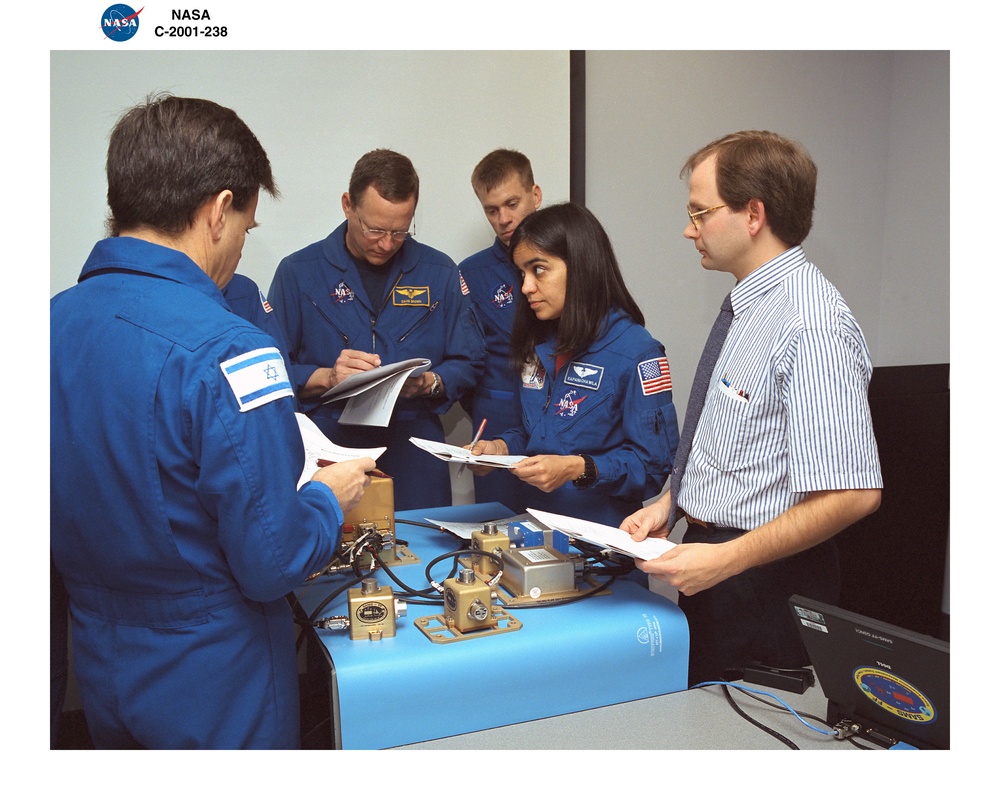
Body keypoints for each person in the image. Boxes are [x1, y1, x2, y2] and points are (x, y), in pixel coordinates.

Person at [50, 94, 375, 749]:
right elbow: (270, 559)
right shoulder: (232, 349)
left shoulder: (52, 322)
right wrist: (322, 499)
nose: (239, 250)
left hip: (97, 660)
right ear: (218, 211)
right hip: (215, 675)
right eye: (248, 229)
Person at [620, 130, 883, 686]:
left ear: (754, 214)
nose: (688, 229)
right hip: (718, 563)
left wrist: (724, 560)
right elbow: (739, 440)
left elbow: (853, 493)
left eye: (700, 212)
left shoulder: (810, 323)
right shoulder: (751, 306)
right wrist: (673, 502)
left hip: (765, 585)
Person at [269, 149, 485, 511]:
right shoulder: (298, 272)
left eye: (400, 232)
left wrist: (430, 383)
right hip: (330, 449)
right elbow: (273, 372)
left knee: (424, 558)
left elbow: (469, 361)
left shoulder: (439, 271)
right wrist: (326, 376)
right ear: (347, 205)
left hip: (415, 449)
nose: (386, 244)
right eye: (375, 230)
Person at [468, 202, 679, 529]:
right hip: (536, 527)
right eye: (521, 273)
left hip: (603, 540)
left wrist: (577, 468)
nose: (525, 287)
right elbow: (539, 434)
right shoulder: (538, 344)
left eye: (538, 270)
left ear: (580, 267)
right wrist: (499, 448)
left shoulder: (637, 352)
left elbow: (651, 468)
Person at [457, 149, 543, 512]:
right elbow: (466, 360)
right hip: (499, 417)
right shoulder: (470, 274)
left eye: (512, 203)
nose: (504, 219)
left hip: (568, 415)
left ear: (535, 196)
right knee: (498, 535)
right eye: (492, 210)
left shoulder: (575, 259)